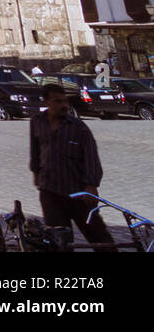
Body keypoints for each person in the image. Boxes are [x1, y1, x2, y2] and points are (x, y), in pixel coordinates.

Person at [29, 83, 114, 248]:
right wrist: (36, 173)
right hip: (50, 191)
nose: (64, 106)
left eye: (65, 101)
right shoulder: (37, 121)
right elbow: (35, 150)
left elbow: (91, 157)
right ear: (46, 102)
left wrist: (91, 185)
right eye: (58, 102)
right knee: (58, 239)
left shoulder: (78, 127)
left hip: (78, 192)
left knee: (100, 237)